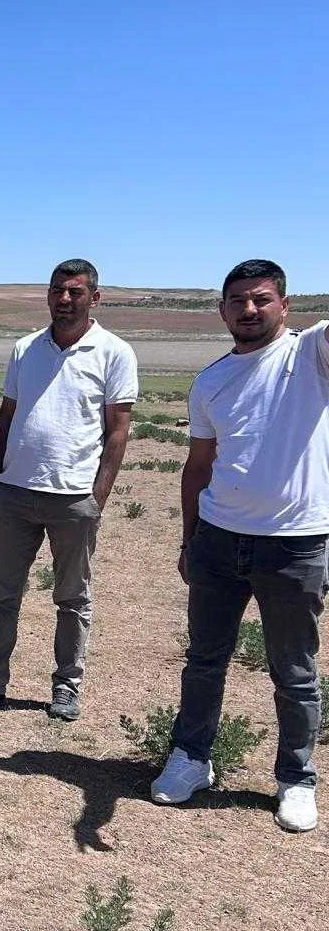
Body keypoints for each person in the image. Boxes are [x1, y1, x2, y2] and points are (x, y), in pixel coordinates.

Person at [153, 259, 328, 833]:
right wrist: (189, 540)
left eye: (261, 299)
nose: (249, 310)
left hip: (295, 543)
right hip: (218, 539)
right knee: (204, 659)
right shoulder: (211, 381)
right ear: (222, 310)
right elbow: (198, 466)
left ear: (286, 305)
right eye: (238, 301)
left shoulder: (311, 355)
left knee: (294, 671)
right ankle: (191, 757)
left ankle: (296, 778)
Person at [0, 259, 138, 721]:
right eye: (57, 290)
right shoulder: (25, 348)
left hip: (74, 497)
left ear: (94, 297)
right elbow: (6, 414)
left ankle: (67, 687)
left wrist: (97, 497)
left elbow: (118, 431)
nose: (64, 299)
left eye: (74, 291)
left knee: (72, 599)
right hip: (14, 493)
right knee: (2, 594)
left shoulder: (114, 352)